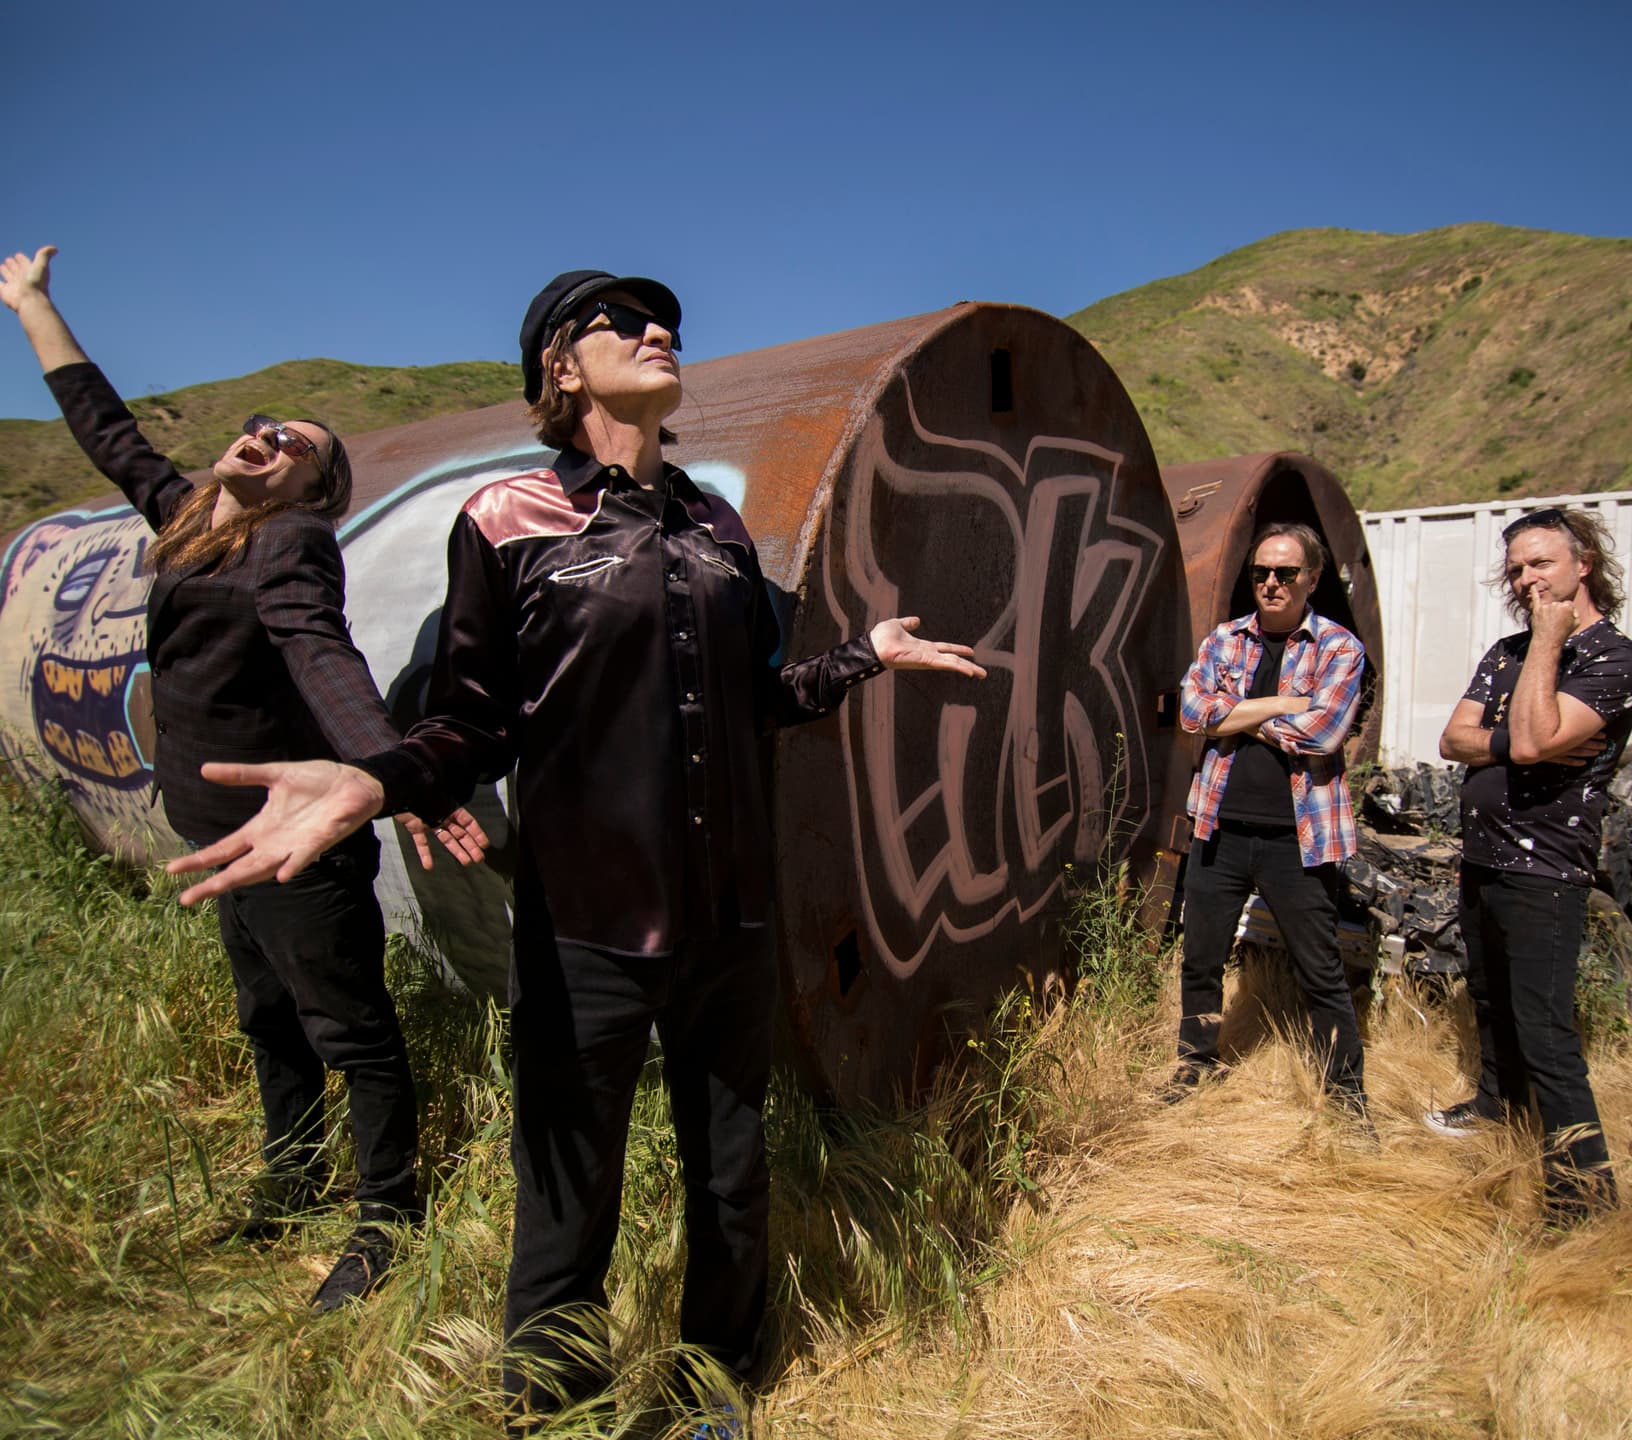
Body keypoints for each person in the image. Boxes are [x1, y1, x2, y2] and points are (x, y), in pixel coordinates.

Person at [166, 268, 986, 1428]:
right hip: (585, 931)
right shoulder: (505, 519)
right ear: (561, 363)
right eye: (626, 322)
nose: (661, 332)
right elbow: (473, 720)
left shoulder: (715, 526)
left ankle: (716, 1389)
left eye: (670, 324)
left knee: (731, 1175)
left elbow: (756, 698)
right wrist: (378, 777)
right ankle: (550, 1409)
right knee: (566, 1195)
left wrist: (866, 656)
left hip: (730, 922)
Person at [0, 245, 485, 1310]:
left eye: (298, 444)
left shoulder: (290, 542)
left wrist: (393, 774)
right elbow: (106, 429)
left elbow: (323, 654)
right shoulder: (189, 518)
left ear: (316, 489)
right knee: (268, 1015)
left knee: (350, 1029)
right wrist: (33, 305)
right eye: (267, 424)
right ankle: (291, 1179)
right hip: (218, 833)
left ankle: (386, 1214)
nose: (270, 437)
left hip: (293, 843)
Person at [1430, 505, 1632, 1224]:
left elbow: (1532, 740)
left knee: (1546, 1032)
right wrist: (1512, 738)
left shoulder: (1615, 659)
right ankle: (1498, 1106)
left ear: (1583, 563)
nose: (1527, 579)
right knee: (1488, 998)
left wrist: (1551, 641)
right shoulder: (1506, 651)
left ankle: (1582, 1195)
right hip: (1483, 853)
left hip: (1544, 866)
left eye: (1542, 563)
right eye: (1517, 568)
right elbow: (1454, 739)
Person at [1173, 522, 1370, 1120]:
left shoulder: (1339, 648)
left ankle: (1345, 1095)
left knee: (1320, 969)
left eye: (1286, 572)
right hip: (1220, 827)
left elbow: (1323, 733)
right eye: (1261, 572)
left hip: (1297, 840)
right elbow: (1191, 712)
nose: (1271, 583)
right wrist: (1282, 705)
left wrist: (1234, 714)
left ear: (1313, 578)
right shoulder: (1224, 640)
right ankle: (1195, 1065)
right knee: (1201, 958)